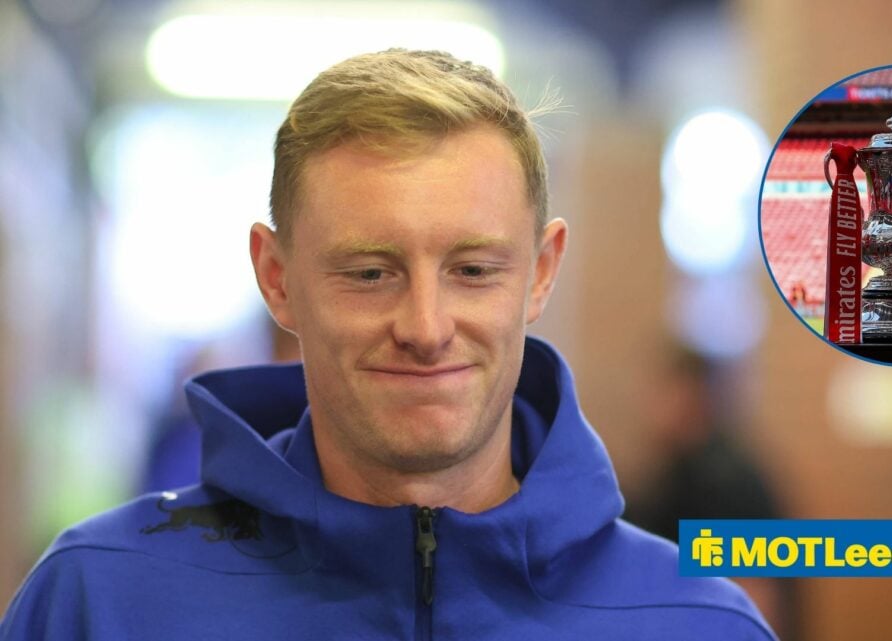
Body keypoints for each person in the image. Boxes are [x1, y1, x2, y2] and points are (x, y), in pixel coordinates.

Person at [0, 50, 775, 640]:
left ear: (540, 275)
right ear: (276, 278)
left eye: (473, 269)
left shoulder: (692, 620)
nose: (426, 326)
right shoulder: (103, 601)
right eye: (370, 272)